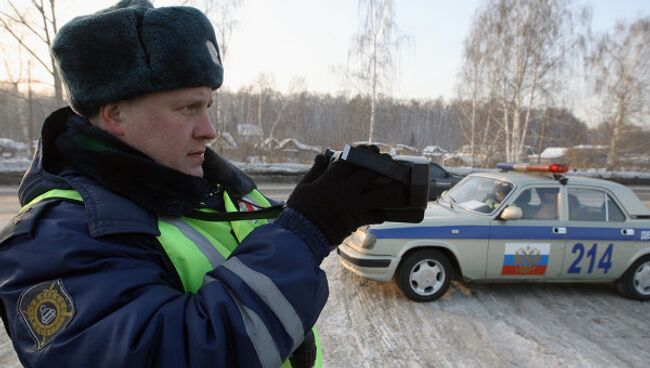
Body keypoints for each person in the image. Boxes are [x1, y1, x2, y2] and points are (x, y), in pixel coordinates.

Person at [0, 1, 420, 367]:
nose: (209, 129)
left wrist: (310, 211)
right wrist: (308, 230)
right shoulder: (53, 239)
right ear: (115, 114)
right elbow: (169, 352)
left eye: (209, 105)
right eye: (188, 108)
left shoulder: (209, 187)